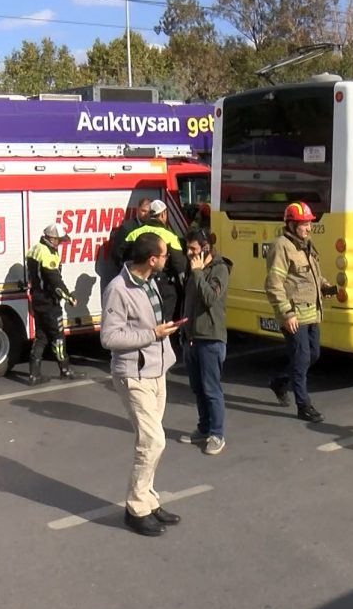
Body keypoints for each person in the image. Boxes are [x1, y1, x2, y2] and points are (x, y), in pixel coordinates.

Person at [100, 232, 182, 537]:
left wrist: (163, 334)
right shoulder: (118, 289)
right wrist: (153, 334)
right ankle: (136, 508)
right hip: (133, 375)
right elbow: (109, 338)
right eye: (163, 255)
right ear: (151, 259)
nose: (167, 259)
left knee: (150, 442)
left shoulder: (149, 282)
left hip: (156, 370)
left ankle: (148, 499)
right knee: (153, 441)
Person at [264, 201, 336, 424]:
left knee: (313, 355)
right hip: (294, 315)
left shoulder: (306, 244)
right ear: (292, 224)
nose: (308, 227)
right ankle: (303, 406)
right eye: (304, 224)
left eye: (309, 223)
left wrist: (325, 286)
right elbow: (273, 284)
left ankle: (280, 382)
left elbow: (312, 274)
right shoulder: (281, 246)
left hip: (312, 312)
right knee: (302, 357)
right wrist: (286, 313)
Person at [178, 229, 232, 455]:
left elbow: (210, 298)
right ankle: (204, 427)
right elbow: (189, 301)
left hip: (210, 338)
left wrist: (199, 273)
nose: (189, 253)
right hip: (191, 338)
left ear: (206, 248)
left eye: (193, 249)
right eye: (188, 248)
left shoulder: (219, 269)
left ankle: (217, 434)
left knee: (211, 389)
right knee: (197, 387)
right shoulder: (193, 269)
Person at [25, 223, 85, 385]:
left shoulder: (34, 249)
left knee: (41, 337)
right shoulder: (47, 253)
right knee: (58, 337)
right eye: (58, 240)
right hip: (49, 302)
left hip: (37, 299)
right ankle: (65, 370)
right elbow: (55, 281)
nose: (60, 243)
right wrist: (69, 297)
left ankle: (34, 375)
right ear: (51, 238)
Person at [124, 199, 187, 322]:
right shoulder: (170, 236)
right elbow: (179, 265)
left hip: (137, 283)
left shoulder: (134, 233)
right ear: (163, 214)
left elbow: (119, 255)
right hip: (164, 286)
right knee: (165, 324)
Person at [109, 197, 153, 271]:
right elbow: (116, 253)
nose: (146, 215)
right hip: (130, 272)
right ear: (138, 209)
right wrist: (125, 268)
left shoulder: (152, 227)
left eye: (149, 212)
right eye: (143, 211)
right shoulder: (127, 227)